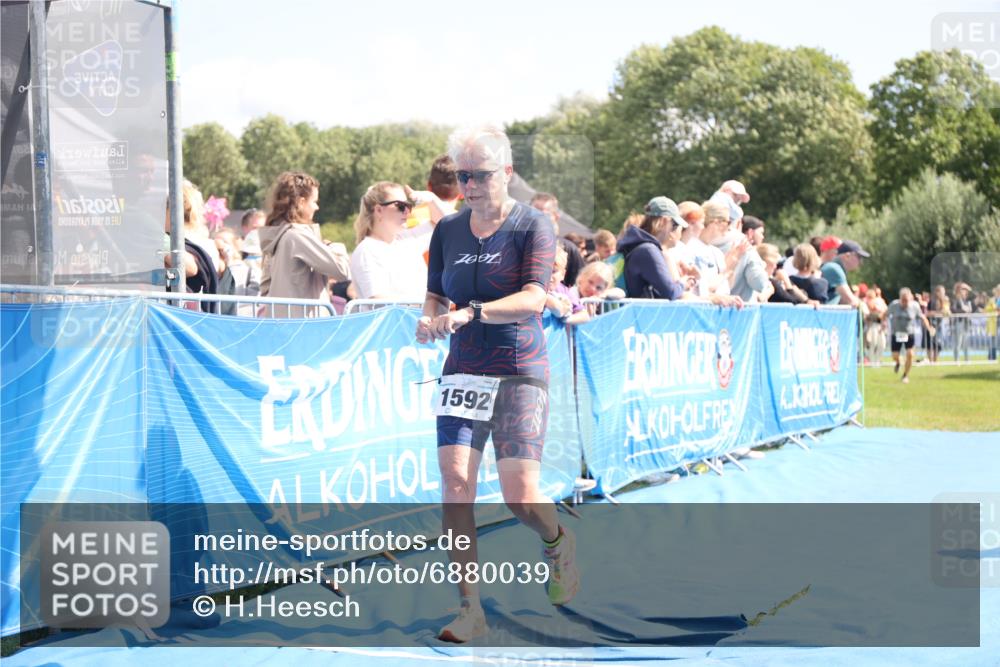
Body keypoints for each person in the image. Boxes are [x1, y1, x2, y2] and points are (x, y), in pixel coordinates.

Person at [415, 125, 577, 643]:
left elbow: (534, 299)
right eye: (462, 176)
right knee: (456, 484)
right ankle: (470, 610)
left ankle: (556, 540)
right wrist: (430, 318)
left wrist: (471, 313)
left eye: (480, 175)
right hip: (463, 368)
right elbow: (436, 295)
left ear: (506, 172)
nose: (470, 185)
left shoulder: (534, 226)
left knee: (519, 497)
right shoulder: (448, 231)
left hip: (518, 367)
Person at [258, 171, 350, 318]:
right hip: (304, 327)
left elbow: (265, 288)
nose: (317, 207)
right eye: (314, 201)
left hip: (282, 323)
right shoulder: (297, 236)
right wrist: (335, 247)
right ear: (301, 202)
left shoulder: (277, 236)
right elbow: (341, 270)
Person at [349, 181, 434, 302]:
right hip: (402, 320)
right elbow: (380, 303)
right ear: (378, 210)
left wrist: (431, 199)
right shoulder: (366, 251)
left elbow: (448, 223)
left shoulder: (407, 240)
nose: (407, 211)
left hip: (421, 318)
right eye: (400, 206)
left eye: (408, 205)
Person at [617, 197, 687, 300]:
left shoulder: (637, 245)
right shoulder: (648, 250)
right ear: (663, 221)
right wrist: (682, 283)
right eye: (674, 224)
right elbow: (671, 292)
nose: (674, 230)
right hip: (641, 314)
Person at [531, 192, 583, 289]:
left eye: (544, 214)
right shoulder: (518, 243)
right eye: (534, 213)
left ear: (556, 217)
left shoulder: (569, 249)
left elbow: (579, 285)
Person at [886, 288, 936, 384]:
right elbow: (886, 314)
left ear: (910, 298)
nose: (905, 303)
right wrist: (882, 323)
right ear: (900, 298)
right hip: (896, 334)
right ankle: (898, 362)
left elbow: (923, 317)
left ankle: (905, 375)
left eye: (907, 300)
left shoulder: (915, 306)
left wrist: (929, 328)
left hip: (909, 333)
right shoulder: (894, 305)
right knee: (895, 356)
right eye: (903, 300)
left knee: (910, 354)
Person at [821, 240, 869, 306]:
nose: (861, 262)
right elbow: (851, 300)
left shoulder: (835, 268)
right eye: (859, 257)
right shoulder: (834, 269)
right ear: (847, 256)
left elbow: (843, 300)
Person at [864, 285, 888, 365]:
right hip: (872, 325)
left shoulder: (880, 301)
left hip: (879, 325)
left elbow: (885, 311)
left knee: (882, 344)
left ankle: (877, 360)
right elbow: (872, 311)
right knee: (872, 344)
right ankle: (872, 361)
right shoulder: (867, 302)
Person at [926, 284, 950, 364]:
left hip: (940, 326)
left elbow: (948, 312)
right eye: (941, 292)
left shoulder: (945, 301)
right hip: (931, 325)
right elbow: (927, 313)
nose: (943, 293)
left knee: (939, 345)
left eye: (943, 292)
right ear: (937, 292)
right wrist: (937, 313)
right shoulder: (932, 302)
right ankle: (930, 361)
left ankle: (935, 361)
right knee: (930, 344)